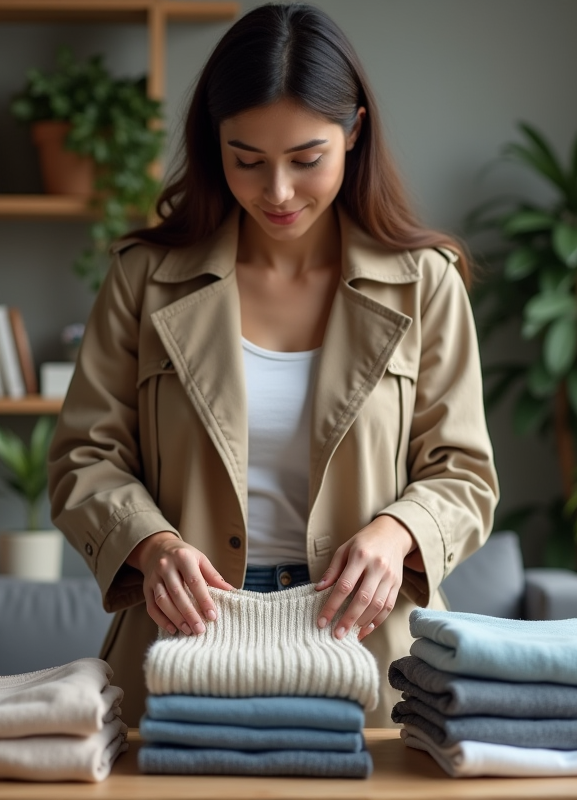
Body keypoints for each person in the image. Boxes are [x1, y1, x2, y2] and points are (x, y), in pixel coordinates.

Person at [47, 2, 499, 727]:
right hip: (184, 635)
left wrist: (397, 533)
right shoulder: (144, 276)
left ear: (354, 131)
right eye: (247, 161)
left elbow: (463, 472)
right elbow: (84, 456)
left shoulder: (425, 280)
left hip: (367, 641)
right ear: (214, 144)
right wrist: (150, 544)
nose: (277, 192)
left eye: (306, 159)